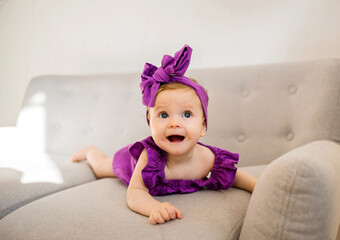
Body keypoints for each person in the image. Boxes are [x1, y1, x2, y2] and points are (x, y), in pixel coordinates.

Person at [71, 45, 258, 225]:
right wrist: (153, 207)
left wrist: (258, 187)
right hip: (127, 163)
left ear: (203, 126)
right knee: (99, 167)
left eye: (186, 114)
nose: (174, 123)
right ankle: (91, 151)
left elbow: (234, 176)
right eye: (163, 115)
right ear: (150, 123)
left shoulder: (207, 158)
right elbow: (135, 192)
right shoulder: (149, 159)